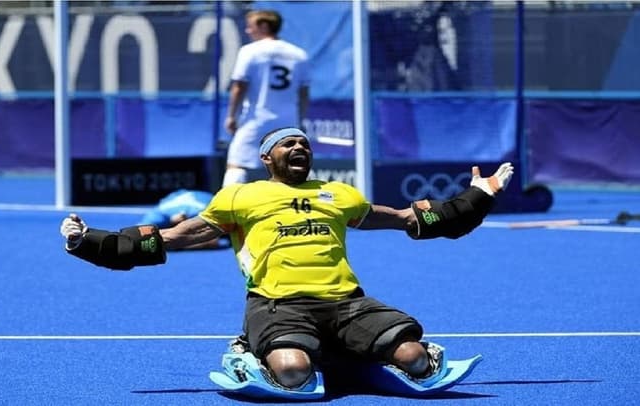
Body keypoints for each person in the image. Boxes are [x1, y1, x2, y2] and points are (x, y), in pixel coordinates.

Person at [60, 127, 514, 395]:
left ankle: (344, 352)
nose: (299, 148)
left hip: (348, 303)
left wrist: (479, 195)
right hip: (278, 305)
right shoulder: (240, 196)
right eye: (288, 144)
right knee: (293, 373)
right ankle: (249, 351)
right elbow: (174, 237)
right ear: (267, 157)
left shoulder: (339, 194)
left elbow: (408, 219)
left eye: (304, 144)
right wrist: (90, 241)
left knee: (415, 359)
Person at [222, 9, 310, 187]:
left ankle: (228, 204)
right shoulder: (299, 54)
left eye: (250, 26)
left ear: (263, 26)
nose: (248, 31)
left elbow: (239, 86)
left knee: (237, 164)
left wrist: (231, 116)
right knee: (287, 168)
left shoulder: (250, 51)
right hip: (288, 122)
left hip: (256, 120)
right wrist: (299, 120)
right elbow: (303, 92)